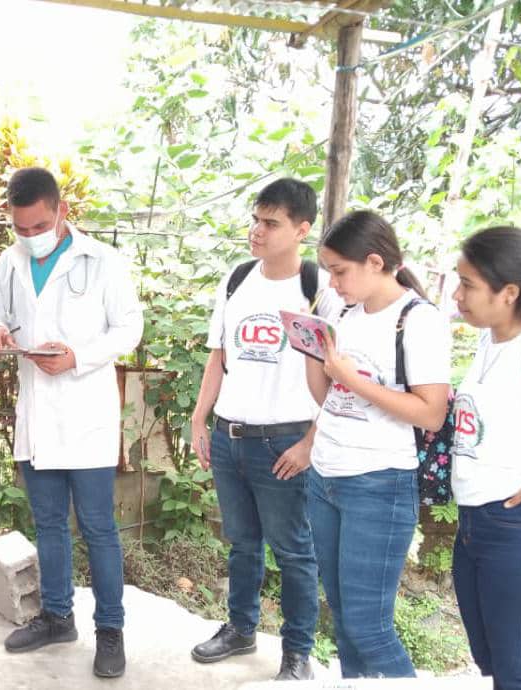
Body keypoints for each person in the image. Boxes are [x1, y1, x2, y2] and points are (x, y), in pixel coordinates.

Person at [0, 167, 143, 678]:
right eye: (20, 228)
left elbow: (129, 328)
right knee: (48, 524)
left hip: (86, 416)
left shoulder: (102, 261)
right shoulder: (10, 261)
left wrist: (78, 357)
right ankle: (56, 617)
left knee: (98, 528)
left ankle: (110, 630)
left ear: (62, 211)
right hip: (37, 416)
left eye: (39, 226)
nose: (30, 237)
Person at [190, 178, 342, 680]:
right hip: (230, 435)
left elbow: (339, 377)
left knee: (294, 551)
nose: (257, 230)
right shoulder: (237, 279)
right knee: (242, 542)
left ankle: (298, 654)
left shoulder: (320, 289)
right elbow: (219, 354)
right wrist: (200, 418)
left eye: (271, 223)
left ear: (302, 229)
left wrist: (309, 443)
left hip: (285, 442)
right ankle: (240, 628)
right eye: (255, 219)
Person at [305, 210, 451, 678]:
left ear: (374, 262)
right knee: (343, 618)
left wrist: (351, 378)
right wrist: (312, 349)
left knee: (369, 627)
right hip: (325, 475)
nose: (333, 282)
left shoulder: (417, 320)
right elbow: (328, 399)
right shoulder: (344, 312)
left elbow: (431, 412)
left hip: (378, 483)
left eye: (340, 271)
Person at [450, 226, 521, 690]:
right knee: (495, 665)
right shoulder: (488, 342)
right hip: (474, 525)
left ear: (509, 292)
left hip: (520, 530)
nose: (457, 295)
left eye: (468, 285)